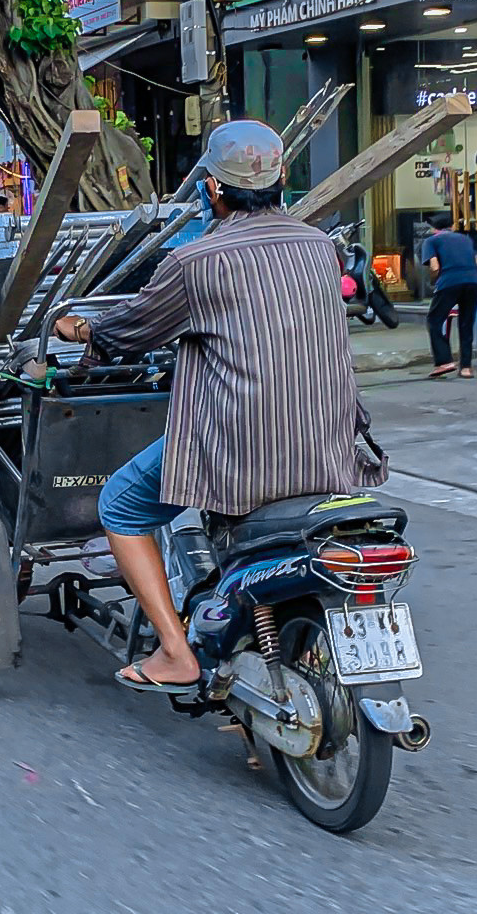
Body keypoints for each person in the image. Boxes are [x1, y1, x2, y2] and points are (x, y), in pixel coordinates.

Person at [53, 120, 381, 692]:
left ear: (211, 189)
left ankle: (176, 653)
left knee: (122, 506)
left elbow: (129, 333)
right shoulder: (320, 248)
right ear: (282, 179)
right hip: (332, 444)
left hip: (242, 453)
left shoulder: (196, 262)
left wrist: (81, 329)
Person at [421, 213, 477, 380]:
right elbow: (476, 261)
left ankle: (444, 361)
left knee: (434, 320)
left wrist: (434, 282)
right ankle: (466, 368)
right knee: (466, 323)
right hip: (473, 281)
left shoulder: (431, 241)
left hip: (449, 281)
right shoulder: (466, 239)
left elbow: (434, 267)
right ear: (453, 226)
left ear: (434, 229)